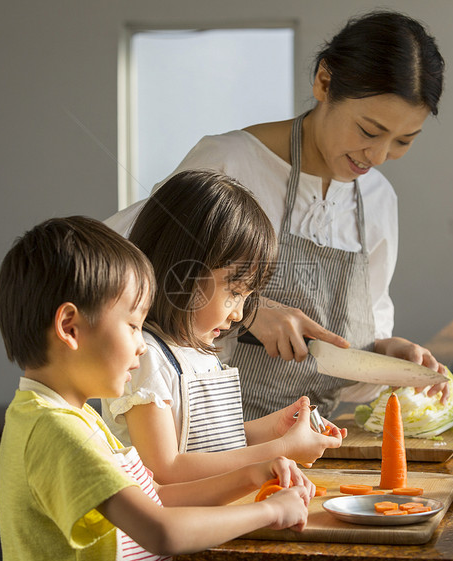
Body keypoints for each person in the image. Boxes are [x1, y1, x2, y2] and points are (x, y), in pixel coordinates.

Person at [106, 10, 448, 420]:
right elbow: (121, 275)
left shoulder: (377, 200)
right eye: (369, 131)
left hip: (309, 443)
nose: (378, 156)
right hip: (199, 438)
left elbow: (347, 362)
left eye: (403, 140)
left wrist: (385, 358)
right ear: (324, 81)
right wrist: (249, 311)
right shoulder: (229, 162)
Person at [0, 216, 312, 561]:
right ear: (70, 328)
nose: (142, 346)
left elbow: (155, 499)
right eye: (132, 326)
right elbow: (161, 530)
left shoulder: (71, 417)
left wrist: (252, 475)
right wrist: (270, 511)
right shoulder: (57, 434)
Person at [102, 170, 346, 484]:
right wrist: (279, 449)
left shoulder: (199, 353)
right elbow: (166, 469)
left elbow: (208, 445)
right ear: (182, 272)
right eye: (234, 292)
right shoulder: (147, 358)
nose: (239, 313)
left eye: (247, 297)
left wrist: (272, 430)